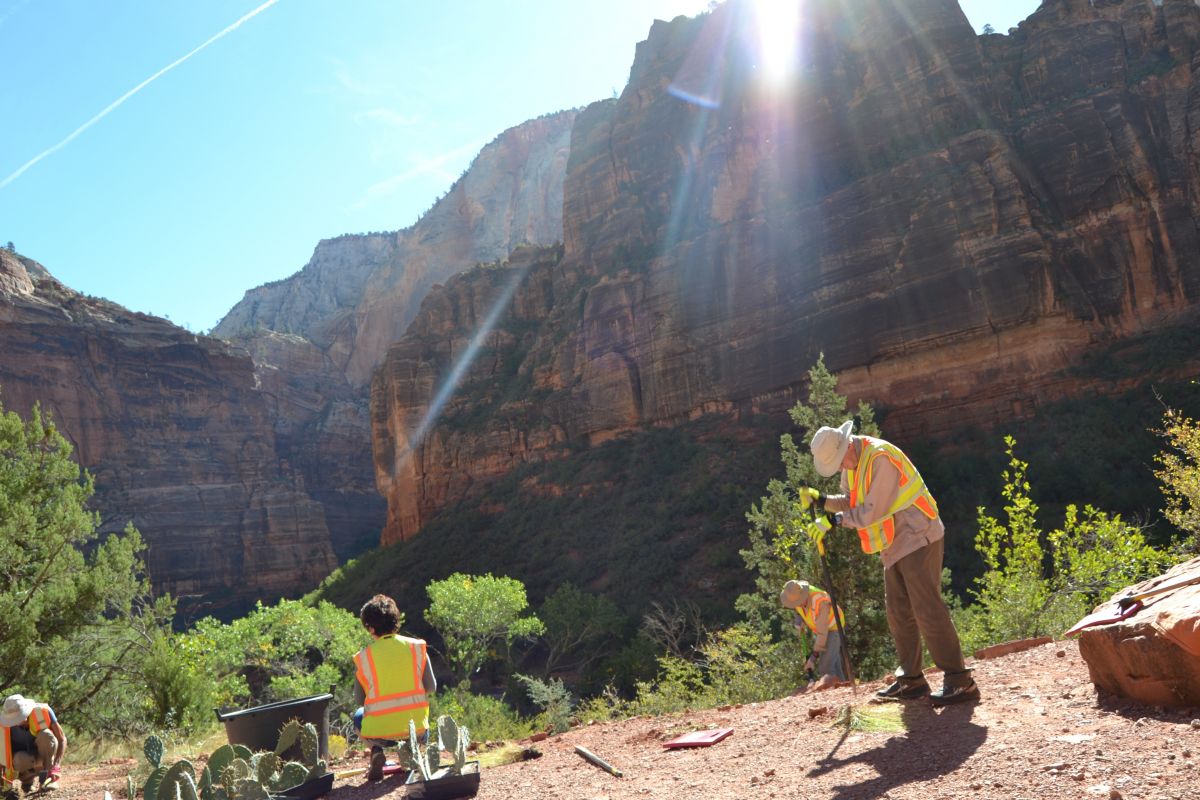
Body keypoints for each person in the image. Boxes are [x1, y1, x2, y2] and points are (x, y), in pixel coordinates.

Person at [801, 420, 978, 705]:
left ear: (847, 444)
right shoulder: (851, 461)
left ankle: (960, 680)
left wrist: (833, 521)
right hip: (893, 541)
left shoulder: (879, 457)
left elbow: (871, 510)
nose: (840, 467)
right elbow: (851, 500)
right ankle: (912, 681)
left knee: (927, 609)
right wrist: (823, 501)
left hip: (918, 533)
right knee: (898, 612)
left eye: (838, 461)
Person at [352, 594, 436, 781]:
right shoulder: (417, 648)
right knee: (419, 718)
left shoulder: (363, 658)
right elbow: (431, 687)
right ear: (395, 620)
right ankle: (410, 748)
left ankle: (376, 750)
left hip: (380, 734)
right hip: (417, 731)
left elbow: (359, 701)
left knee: (358, 715)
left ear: (371, 628)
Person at [779, 579, 846, 688]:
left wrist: (812, 659)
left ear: (803, 596)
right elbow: (797, 609)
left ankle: (833, 696)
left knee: (826, 667)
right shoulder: (795, 594)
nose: (796, 605)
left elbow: (822, 635)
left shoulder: (820, 601)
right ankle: (843, 692)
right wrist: (799, 620)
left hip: (833, 628)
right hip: (823, 630)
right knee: (834, 666)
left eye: (797, 602)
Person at [1, 694, 66, 794]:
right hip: (21, 762)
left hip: (43, 757)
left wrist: (56, 766)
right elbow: (2, 754)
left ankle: (49, 778)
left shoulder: (43, 712)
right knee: (20, 758)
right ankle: (27, 782)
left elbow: (62, 739)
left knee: (46, 736)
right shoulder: (3, 726)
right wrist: (3, 785)